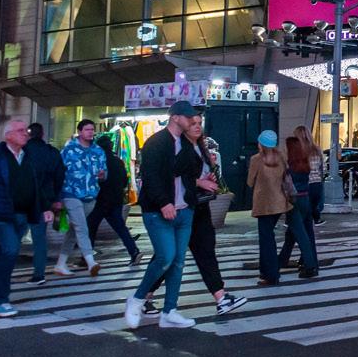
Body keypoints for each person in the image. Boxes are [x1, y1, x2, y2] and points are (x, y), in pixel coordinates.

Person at [123, 101, 207, 330]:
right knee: (166, 256)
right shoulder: (156, 142)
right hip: (158, 211)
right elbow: (150, 177)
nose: (192, 121)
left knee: (178, 262)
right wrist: (164, 202)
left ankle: (170, 311)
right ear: (175, 118)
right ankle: (137, 299)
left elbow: (187, 173)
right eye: (188, 117)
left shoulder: (186, 144)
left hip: (184, 210)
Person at [0, 119, 52, 318]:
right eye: (20, 131)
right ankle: (0, 300)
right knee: (10, 251)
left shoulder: (26, 157)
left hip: (21, 215)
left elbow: (34, 185)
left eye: (26, 131)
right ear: (8, 136)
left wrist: (44, 207)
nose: (25, 134)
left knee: (4, 256)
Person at [187, 115, 247, 315]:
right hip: (184, 207)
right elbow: (175, 177)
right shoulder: (180, 148)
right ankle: (144, 296)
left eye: (199, 123)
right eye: (193, 123)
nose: (197, 127)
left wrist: (209, 178)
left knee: (206, 251)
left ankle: (221, 297)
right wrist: (199, 182)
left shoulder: (201, 148)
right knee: (169, 256)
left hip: (201, 205)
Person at [248, 130, 316, 286]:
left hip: (264, 204)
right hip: (283, 201)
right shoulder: (281, 157)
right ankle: (309, 264)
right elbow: (286, 178)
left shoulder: (256, 159)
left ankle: (270, 274)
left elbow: (250, 182)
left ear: (261, 144)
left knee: (266, 239)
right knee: (299, 232)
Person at [57, 119, 106, 277]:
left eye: (92, 129)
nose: (90, 132)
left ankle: (61, 263)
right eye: (87, 129)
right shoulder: (69, 150)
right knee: (82, 227)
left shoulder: (98, 151)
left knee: (74, 229)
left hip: (90, 195)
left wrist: (102, 175)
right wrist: (58, 196)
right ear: (79, 132)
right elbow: (58, 171)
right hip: (71, 193)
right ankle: (91, 261)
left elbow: (104, 172)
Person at [85, 134, 142, 264]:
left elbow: (95, 180)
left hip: (102, 200)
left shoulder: (99, 161)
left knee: (91, 225)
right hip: (116, 199)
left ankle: (87, 256)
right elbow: (125, 180)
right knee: (120, 227)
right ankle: (134, 251)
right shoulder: (118, 161)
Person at [23, 122, 66, 282]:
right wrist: (56, 198)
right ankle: (38, 273)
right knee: (39, 238)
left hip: (23, 199)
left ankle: (4, 271)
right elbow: (60, 176)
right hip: (44, 201)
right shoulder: (52, 152)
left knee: (14, 235)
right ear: (42, 134)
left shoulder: (23, 151)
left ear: (28, 135)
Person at [278, 136, 321, 272]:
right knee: (299, 232)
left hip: (295, 200)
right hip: (305, 198)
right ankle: (282, 259)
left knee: (299, 233)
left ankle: (310, 265)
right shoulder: (304, 164)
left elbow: (286, 184)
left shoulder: (290, 166)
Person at [293, 126, 325, 225]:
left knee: (302, 209)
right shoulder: (317, 150)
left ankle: (294, 225)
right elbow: (323, 168)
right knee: (312, 205)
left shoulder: (298, 151)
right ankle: (316, 219)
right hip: (317, 183)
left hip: (304, 183)